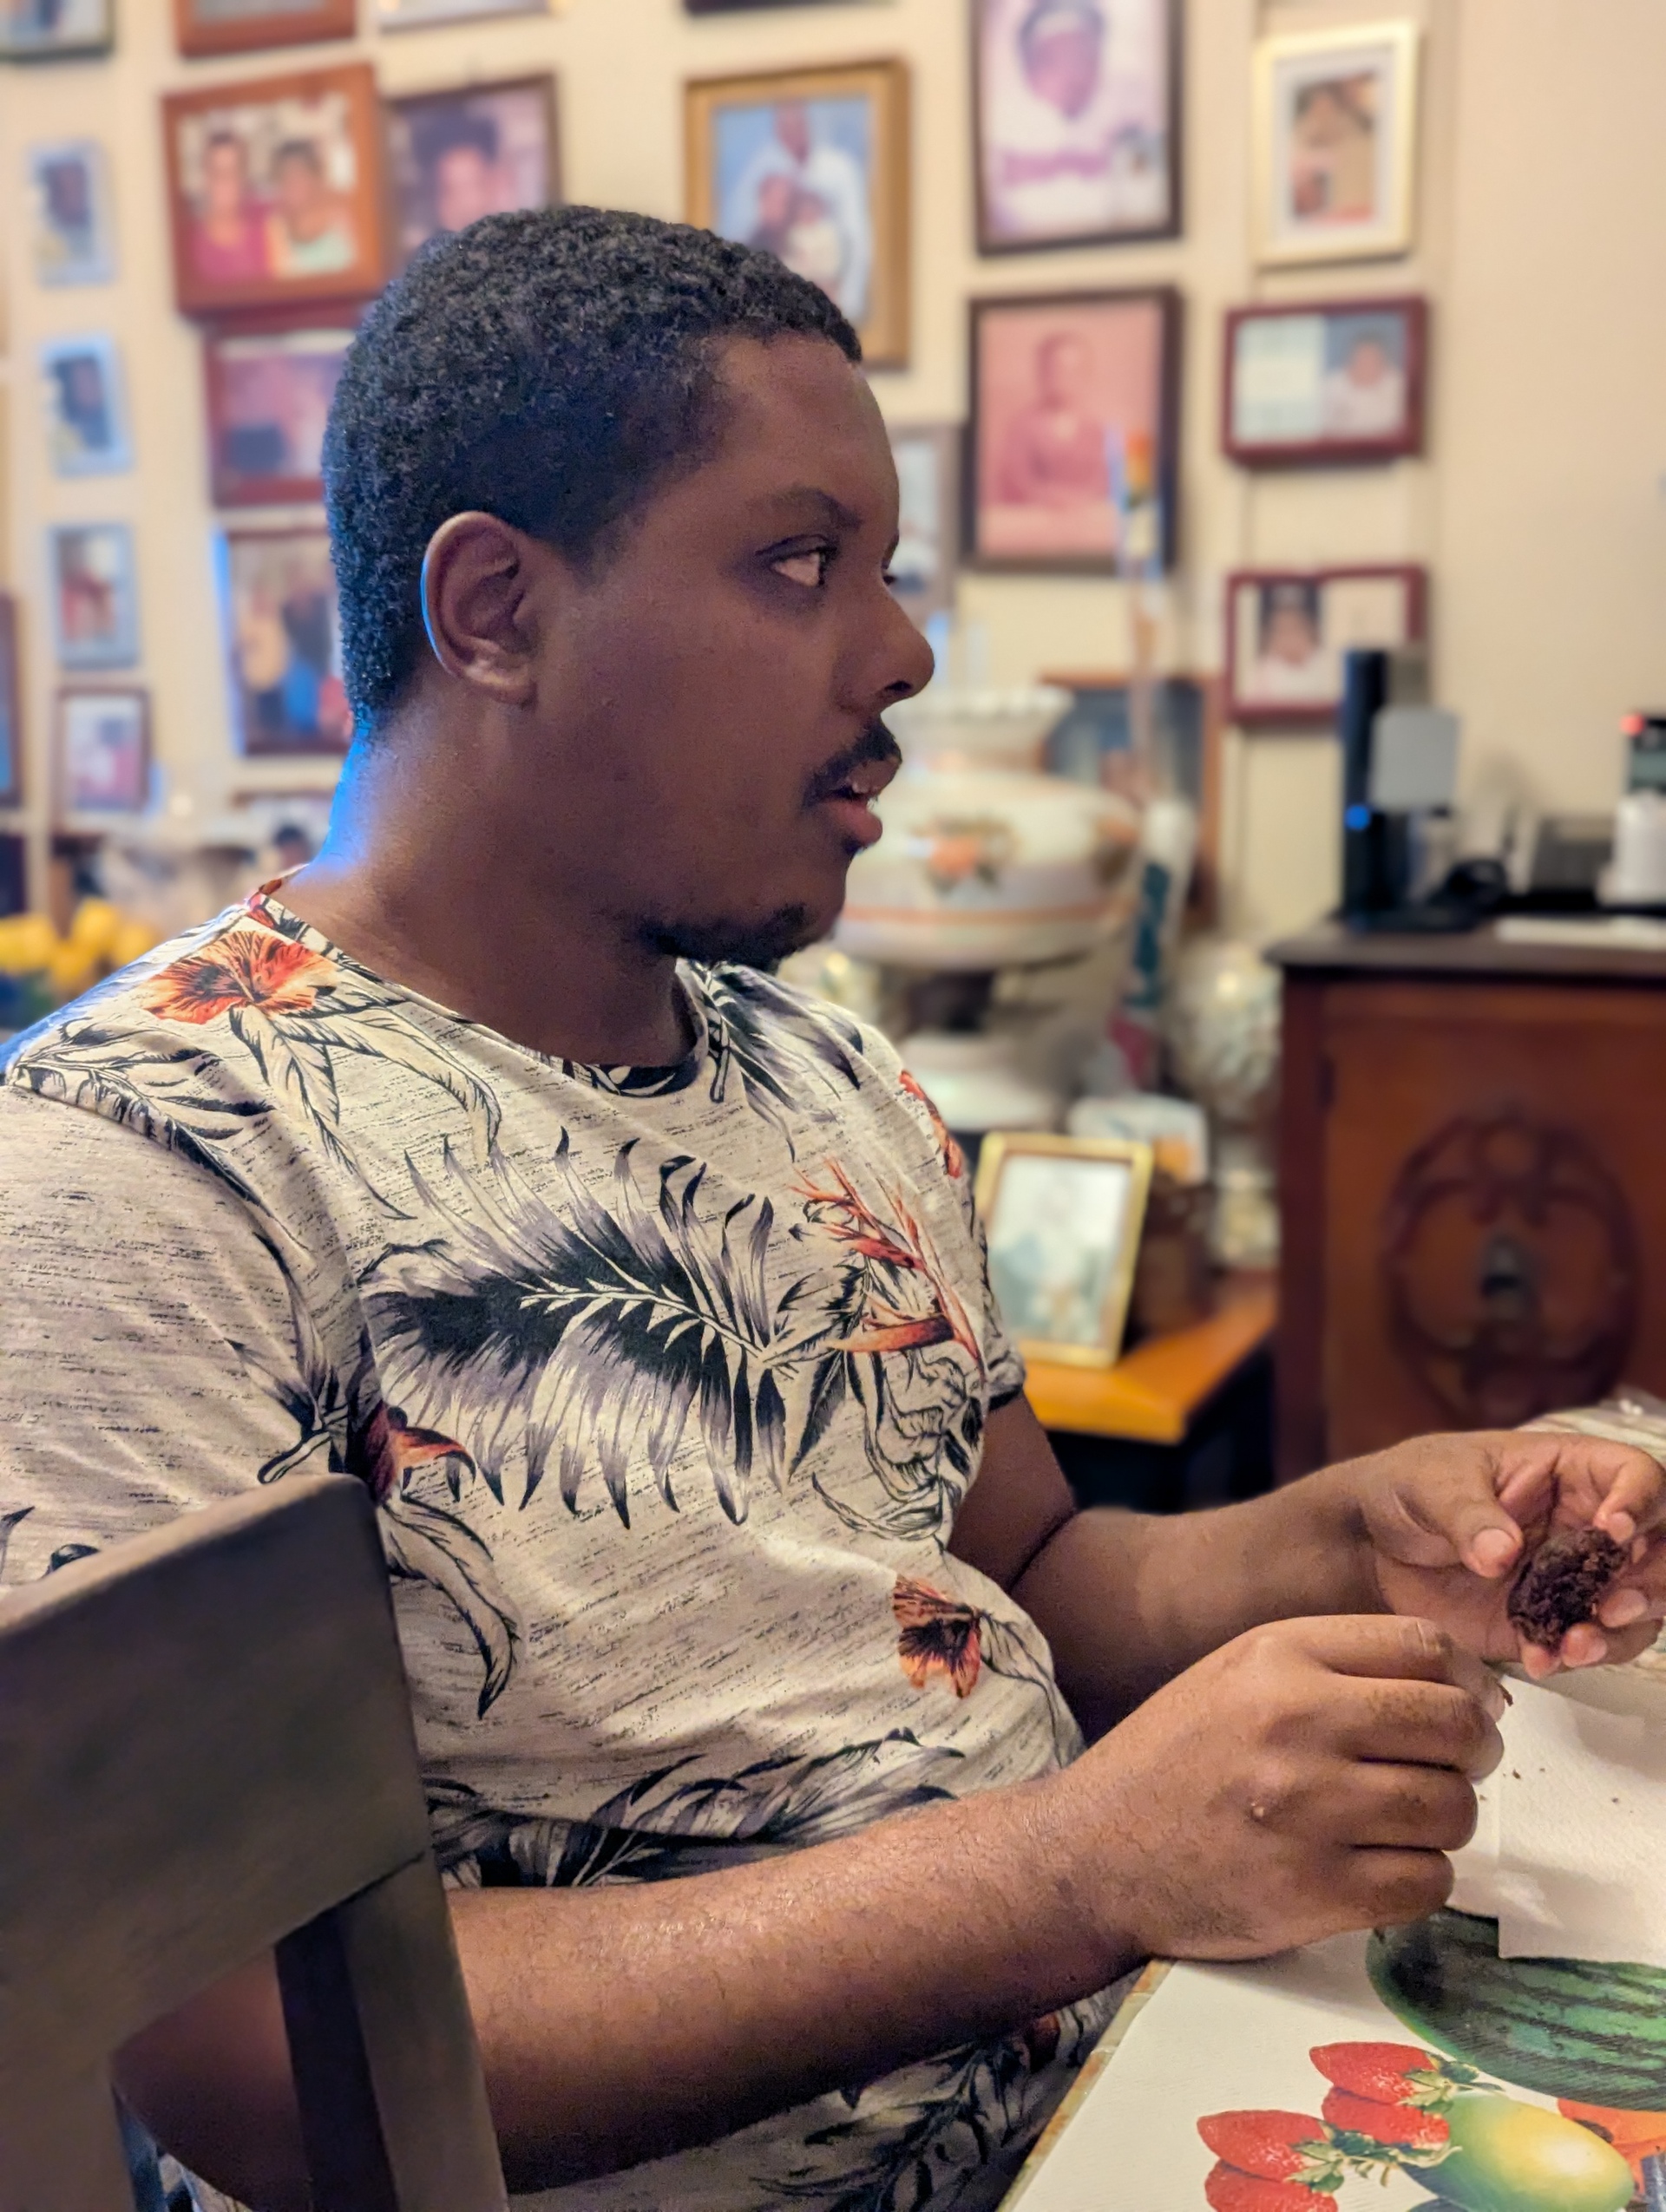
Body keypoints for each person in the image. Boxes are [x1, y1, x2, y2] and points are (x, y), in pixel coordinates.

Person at [2, 208, 1662, 2212]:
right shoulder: (141, 1158)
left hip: (1098, 2099)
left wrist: (1363, 1535)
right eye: (801, 563)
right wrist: (1076, 1870)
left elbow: (1030, 1576)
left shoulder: (829, 1075)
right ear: (495, 611)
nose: (902, 652)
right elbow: (262, 2066)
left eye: (887, 567)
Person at [726, 99, 871, 324]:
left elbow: (857, 239)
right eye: (785, 128)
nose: (791, 134)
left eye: (796, 126)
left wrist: (847, 303)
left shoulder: (838, 168)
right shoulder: (763, 168)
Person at [998, 329, 1110, 508]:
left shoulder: (1097, 428)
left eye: (1075, 370)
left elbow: (1104, 480)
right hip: (1035, 517)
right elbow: (1016, 479)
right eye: (1058, 369)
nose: (1066, 378)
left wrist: (1080, 500)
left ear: (1086, 374)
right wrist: (1049, 497)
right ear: (1043, 373)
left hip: (1084, 516)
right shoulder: (1023, 425)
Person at [265, 137, 355, 278]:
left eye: (299, 174)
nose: (292, 184)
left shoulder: (342, 216)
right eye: (285, 176)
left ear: (315, 176)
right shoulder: (276, 228)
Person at [190, 129, 268, 287]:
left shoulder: (265, 225)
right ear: (206, 178)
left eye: (233, 172)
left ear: (244, 178)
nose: (225, 181)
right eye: (218, 173)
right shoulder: (189, 246)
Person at [1247, 579, 1335, 703]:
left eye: (1296, 628)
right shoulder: (1263, 673)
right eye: (1281, 631)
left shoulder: (1326, 666)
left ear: (1311, 630)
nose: (1289, 638)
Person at [1323, 324, 1407, 438]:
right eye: (1362, 358)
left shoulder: (1398, 385)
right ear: (1351, 359)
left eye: (1373, 359)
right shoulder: (1331, 386)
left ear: (1384, 361)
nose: (1367, 364)